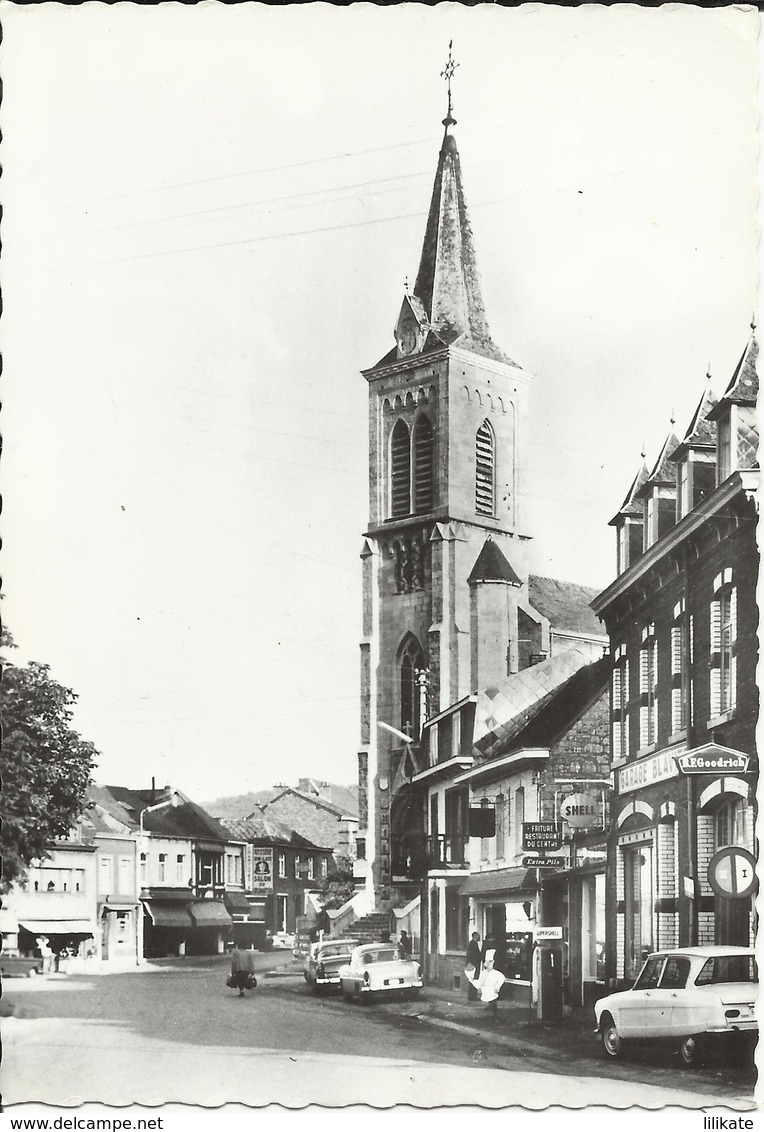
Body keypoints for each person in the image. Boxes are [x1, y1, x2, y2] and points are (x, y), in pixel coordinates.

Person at [465, 948, 506, 1018]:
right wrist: (471, 979)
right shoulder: (483, 973)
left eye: (490, 962)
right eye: (487, 962)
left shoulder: (496, 973)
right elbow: (479, 984)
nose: (488, 964)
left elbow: (502, 978)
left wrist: (497, 987)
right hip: (486, 990)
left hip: (492, 990)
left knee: (493, 998)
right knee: (490, 997)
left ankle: (493, 1011)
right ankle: (491, 1008)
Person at [465, 931, 482, 1001]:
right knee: (473, 980)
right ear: (475, 936)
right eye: (478, 936)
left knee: (473, 980)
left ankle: (472, 996)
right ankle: (472, 996)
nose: (479, 937)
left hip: (472, 964)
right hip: (473, 965)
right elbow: (473, 955)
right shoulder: (473, 944)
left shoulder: (472, 943)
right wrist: (480, 956)